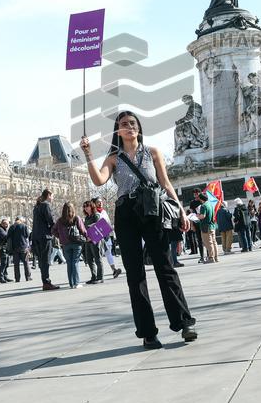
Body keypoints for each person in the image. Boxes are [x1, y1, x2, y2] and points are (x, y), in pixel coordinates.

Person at [80, 110, 197, 348]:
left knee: (166, 268)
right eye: (124, 124)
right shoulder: (113, 158)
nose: (130, 127)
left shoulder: (153, 153)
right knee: (135, 275)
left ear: (139, 128)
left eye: (133, 123)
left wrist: (181, 210)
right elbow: (99, 180)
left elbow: (165, 182)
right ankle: (148, 332)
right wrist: (89, 154)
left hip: (153, 211)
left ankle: (184, 323)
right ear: (118, 130)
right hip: (126, 214)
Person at [54, 202, 86, 289]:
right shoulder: (76, 218)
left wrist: (60, 236)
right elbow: (83, 230)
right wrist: (87, 237)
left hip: (65, 244)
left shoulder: (60, 220)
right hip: (76, 242)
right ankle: (76, 283)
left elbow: (53, 230)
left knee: (69, 263)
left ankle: (71, 283)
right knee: (75, 262)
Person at [32, 189, 59, 291]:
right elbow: (50, 220)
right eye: (52, 196)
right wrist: (57, 229)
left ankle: (45, 281)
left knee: (42, 260)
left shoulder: (37, 206)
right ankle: (46, 282)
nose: (53, 198)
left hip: (36, 236)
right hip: (45, 236)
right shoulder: (45, 205)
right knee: (46, 260)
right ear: (48, 195)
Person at [92, 197, 123, 279]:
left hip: (106, 234)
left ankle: (114, 270)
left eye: (101, 202)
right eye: (98, 202)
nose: (100, 203)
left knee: (108, 252)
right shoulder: (93, 213)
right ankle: (96, 274)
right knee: (97, 255)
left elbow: (108, 222)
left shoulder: (104, 211)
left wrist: (112, 233)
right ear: (94, 203)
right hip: (97, 235)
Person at [81, 201, 105, 284]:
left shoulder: (96, 215)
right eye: (84, 206)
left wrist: (91, 232)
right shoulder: (87, 217)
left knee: (98, 258)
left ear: (91, 206)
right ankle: (93, 277)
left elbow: (99, 226)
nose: (85, 208)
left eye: (87, 206)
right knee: (89, 259)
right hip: (88, 240)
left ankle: (100, 277)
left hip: (96, 239)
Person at [6, 216, 32, 283]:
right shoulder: (24, 226)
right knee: (26, 263)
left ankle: (17, 278)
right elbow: (27, 235)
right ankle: (28, 277)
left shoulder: (12, 227)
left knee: (16, 264)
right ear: (21, 220)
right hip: (23, 247)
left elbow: (8, 236)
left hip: (14, 248)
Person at [197, 191, 219, 262]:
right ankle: (216, 257)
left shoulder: (203, 206)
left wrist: (197, 216)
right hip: (212, 226)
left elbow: (202, 216)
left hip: (206, 227)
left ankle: (211, 258)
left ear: (201, 199)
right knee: (214, 242)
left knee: (208, 243)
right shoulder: (210, 204)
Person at [0, 218, 11, 283]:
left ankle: (5, 276)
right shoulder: (0, 229)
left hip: (6, 248)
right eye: (6, 224)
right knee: (3, 263)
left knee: (7, 263)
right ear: (2, 223)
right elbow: (5, 237)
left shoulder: (4, 229)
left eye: (8, 224)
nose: (7, 225)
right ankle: (1, 278)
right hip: (2, 248)